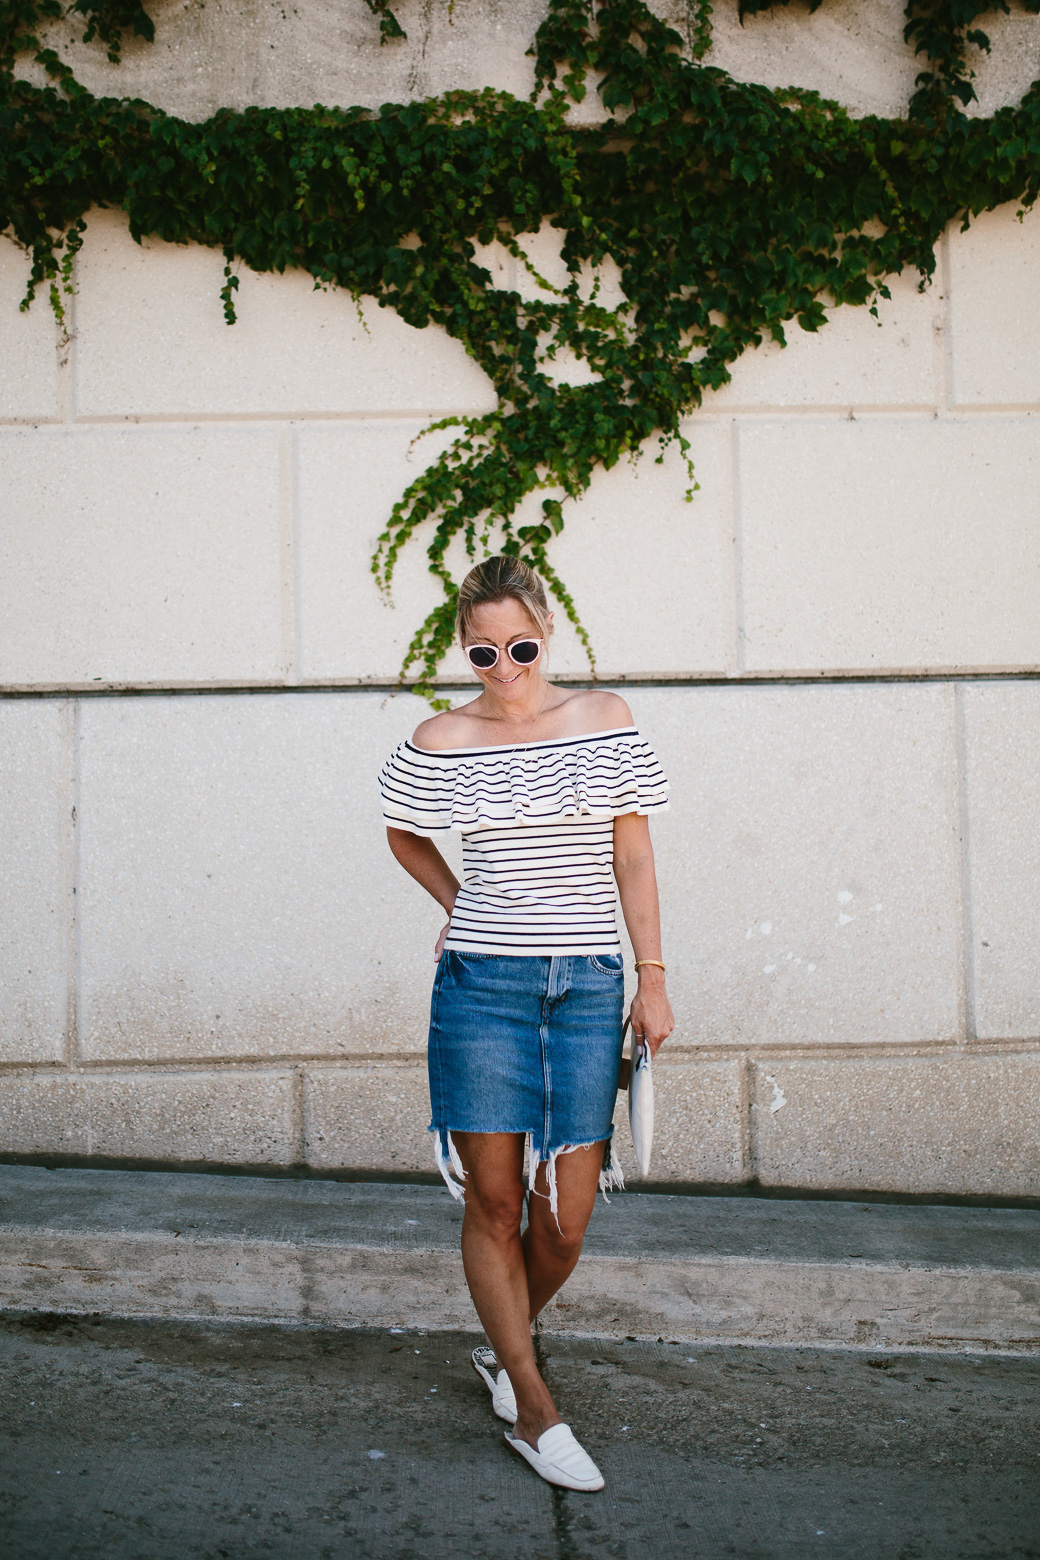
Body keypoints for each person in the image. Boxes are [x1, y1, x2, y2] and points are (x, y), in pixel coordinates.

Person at [379, 554, 674, 1493]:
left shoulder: (604, 720)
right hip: (482, 988)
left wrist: (652, 975)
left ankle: (505, 1353)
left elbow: (632, 847)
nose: (503, 666)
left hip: (587, 985)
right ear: (462, 650)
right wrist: (459, 900)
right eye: (482, 651)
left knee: (567, 1218)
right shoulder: (442, 736)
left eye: (520, 646)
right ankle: (535, 1407)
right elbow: (402, 829)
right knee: (496, 1202)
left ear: (547, 632)